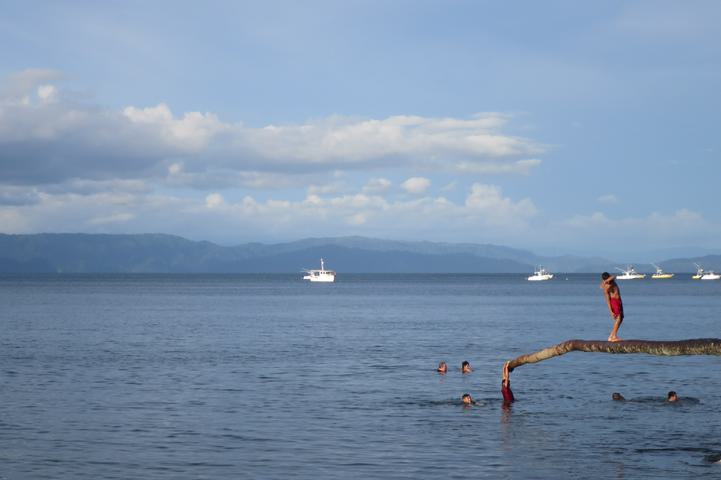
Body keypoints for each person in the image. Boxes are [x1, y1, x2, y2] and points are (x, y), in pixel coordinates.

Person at [601, 272, 624, 342]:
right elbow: (607, 300)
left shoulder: (612, 281)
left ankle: (611, 335)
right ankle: (613, 336)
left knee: (621, 318)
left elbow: (614, 276)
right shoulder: (606, 287)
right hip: (614, 302)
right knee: (619, 318)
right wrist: (611, 312)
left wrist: (606, 280)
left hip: (619, 300)